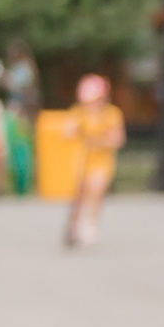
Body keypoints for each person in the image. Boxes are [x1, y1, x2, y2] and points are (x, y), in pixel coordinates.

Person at [61, 73, 124, 247]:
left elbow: (117, 139)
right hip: (82, 159)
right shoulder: (78, 112)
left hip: (102, 161)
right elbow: (66, 133)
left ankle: (91, 223)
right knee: (79, 194)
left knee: (97, 190)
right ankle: (74, 225)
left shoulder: (111, 114)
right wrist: (74, 130)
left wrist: (99, 141)